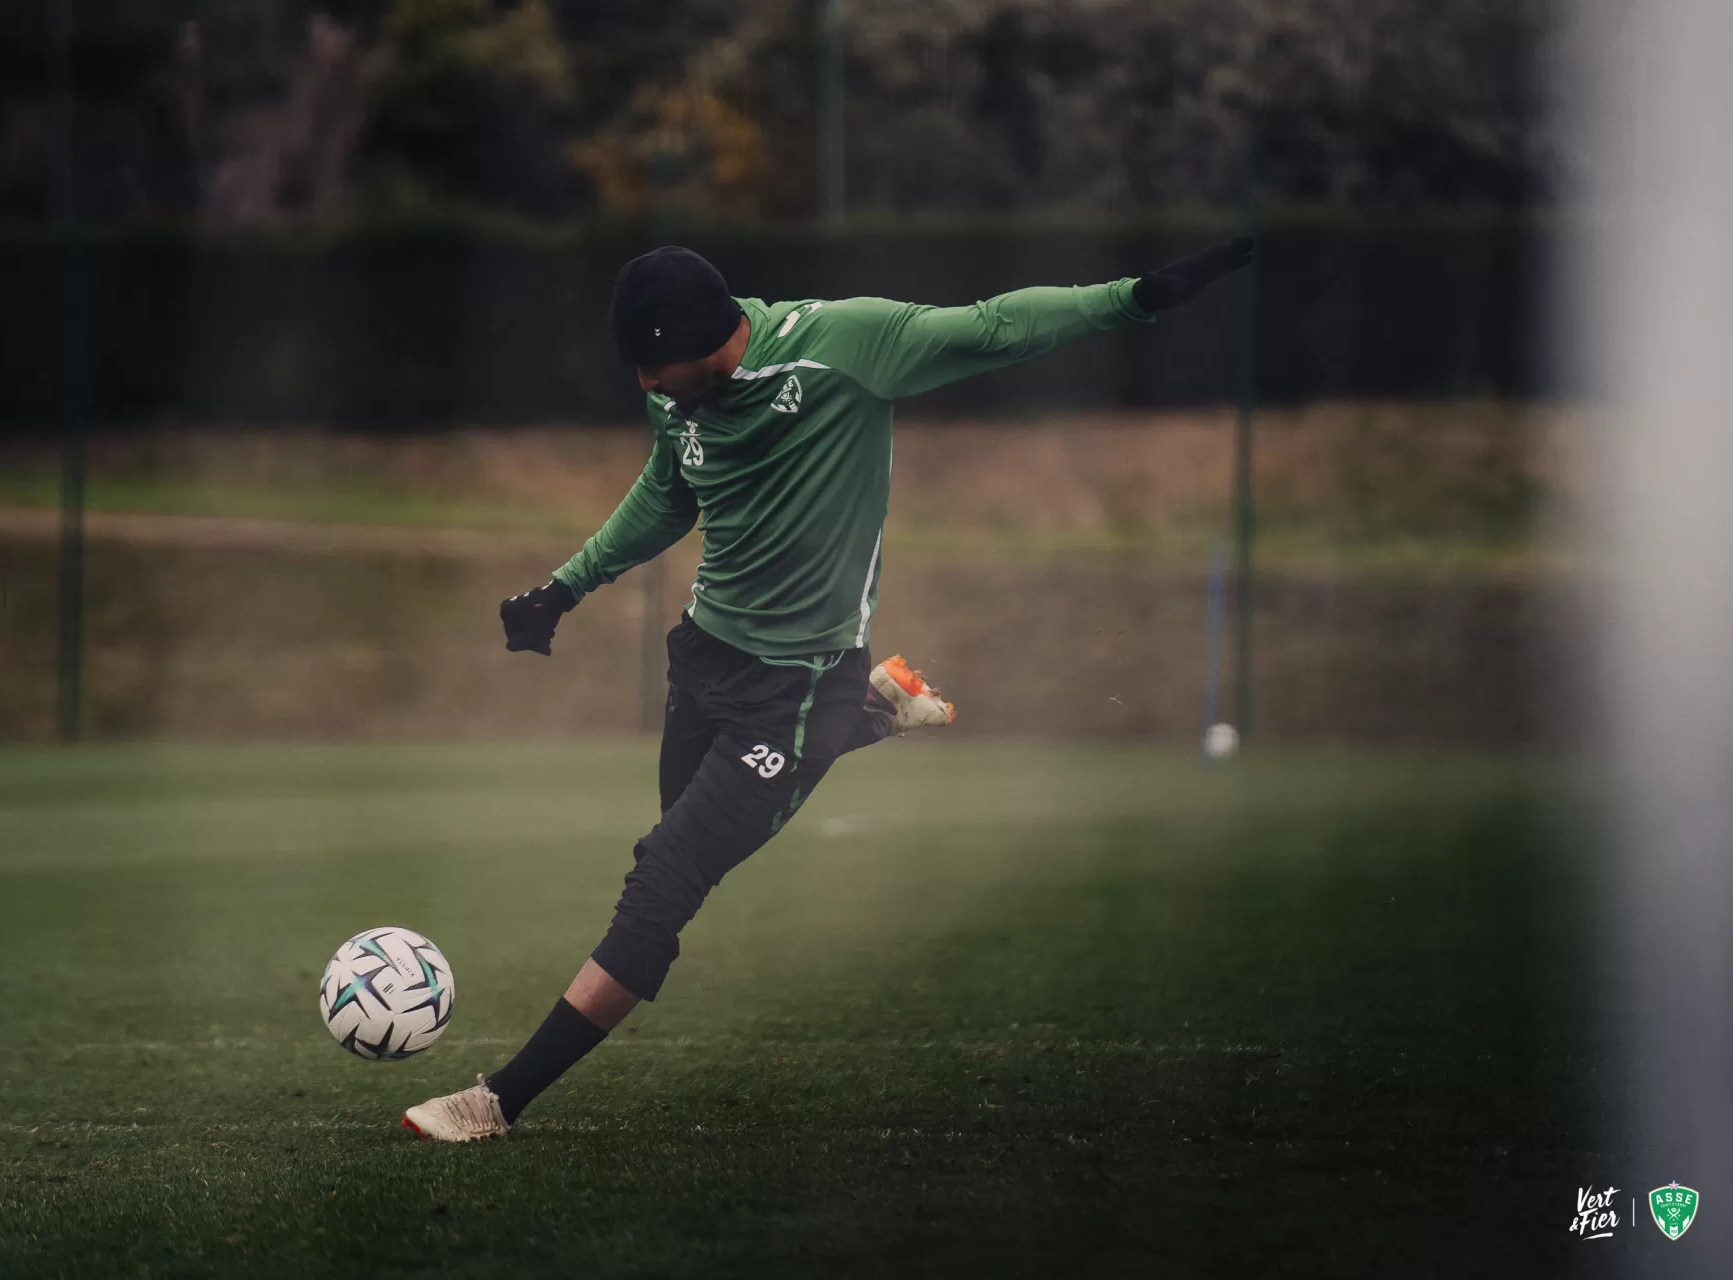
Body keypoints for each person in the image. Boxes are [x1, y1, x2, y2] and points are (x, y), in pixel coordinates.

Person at [402, 238, 1254, 1141]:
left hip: (798, 687)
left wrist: (1134, 296)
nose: (646, 384)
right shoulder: (674, 395)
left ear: (705, 342)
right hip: (704, 660)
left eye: (655, 368)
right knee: (671, 845)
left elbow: (994, 326)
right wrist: (563, 588)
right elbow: (668, 492)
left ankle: (496, 1102)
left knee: (664, 882)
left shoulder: (845, 347)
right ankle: (870, 714)